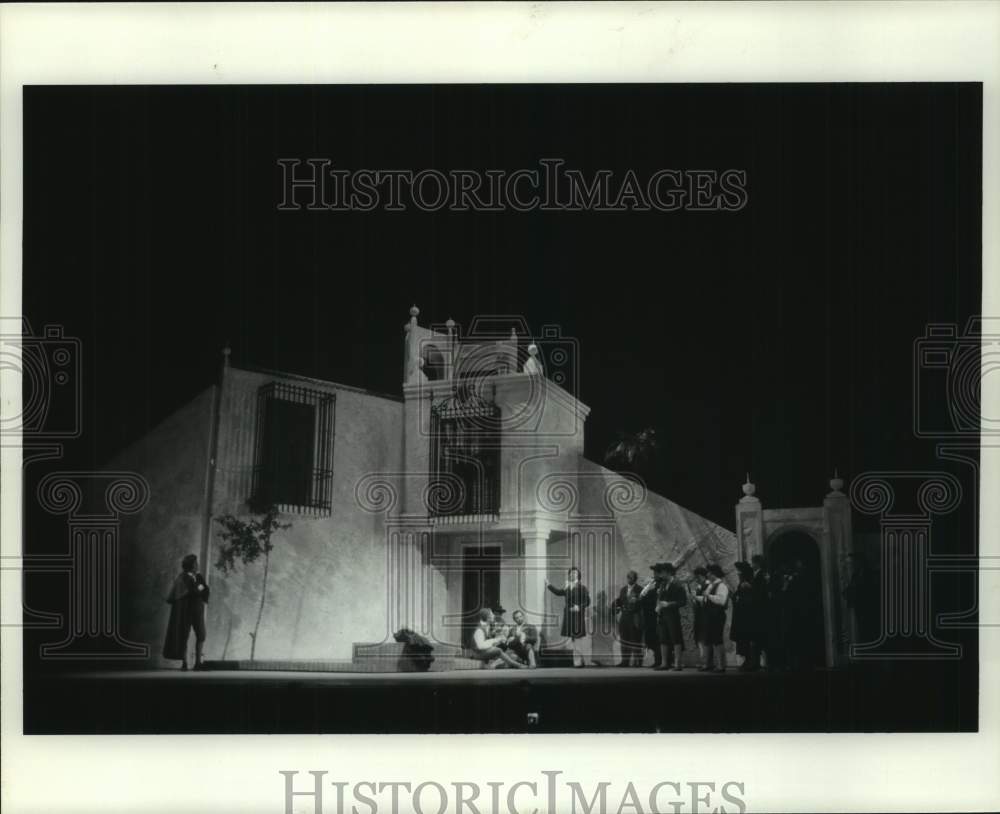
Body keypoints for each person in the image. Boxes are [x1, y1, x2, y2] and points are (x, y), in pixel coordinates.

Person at [163, 553, 210, 671]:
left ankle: (198, 663)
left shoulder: (198, 576)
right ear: (191, 565)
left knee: (201, 634)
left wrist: (199, 588)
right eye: (196, 563)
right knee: (184, 635)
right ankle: (184, 663)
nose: (197, 565)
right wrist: (200, 588)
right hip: (186, 610)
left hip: (198, 609)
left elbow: (205, 589)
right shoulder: (183, 577)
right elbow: (195, 590)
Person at [545, 567, 599, 667]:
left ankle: (581, 661)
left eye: (574, 573)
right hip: (569, 616)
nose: (572, 574)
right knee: (574, 639)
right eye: (570, 573)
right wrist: (548, 585)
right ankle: (578, 662)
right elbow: (558, 592)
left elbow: (587, 601)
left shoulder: (582, 588)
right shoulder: (568, 587)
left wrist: (578, 607)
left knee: (578, 638)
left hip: (577, 616)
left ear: (578, 575)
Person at [694, 563, 729, 672]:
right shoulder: (711, 585)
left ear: (714, 574)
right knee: (708, 639)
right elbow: (706, 600)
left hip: (717, 615)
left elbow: (721, 601)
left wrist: (708, 596)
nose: (708, 575)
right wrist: (697, 598)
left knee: (717, 640)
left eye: (709, 572)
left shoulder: (721, 586)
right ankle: (708, 664)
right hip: (709, 616)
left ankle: (721, 665)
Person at [653, 562, 687, 671]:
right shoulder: (663, 584)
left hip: (672, 615)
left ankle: (678, 664)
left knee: (676, 639)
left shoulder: (677, 584)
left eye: (662, 573)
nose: (661, 575)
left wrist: (668, 604)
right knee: (663, 639)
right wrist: (658, 606)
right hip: (663, 615)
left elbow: (683, 601)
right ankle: (664, 663)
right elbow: (659, 597)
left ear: (668, 572)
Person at [613, 570, 644, 667]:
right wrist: (616, 606)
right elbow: (620, 601)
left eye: (632, 577)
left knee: (635, 639)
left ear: (635, 579)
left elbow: (642, 603)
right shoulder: (623, 589)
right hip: (625, 616)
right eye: (628, 577)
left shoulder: (640, 589)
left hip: (635, 617)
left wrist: (636, 603)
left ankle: (638, 661)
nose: (630, 579)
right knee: (624, 639)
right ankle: (625, 661)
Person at [730, 562, 755, 671]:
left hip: (744, 617)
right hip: (742, 616)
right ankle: (747, 661)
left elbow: (747, 601)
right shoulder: (743, 584)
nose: (737, 573)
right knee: (743, 639)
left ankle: (749, 661)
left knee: (745, 639)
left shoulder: (746, 585)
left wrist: (736, 599)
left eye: (739, 571)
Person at [638, 567, 663, 668]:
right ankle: (658, 659)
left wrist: (643, 599)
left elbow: (652, 599)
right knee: (650, 638)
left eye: (656, 573)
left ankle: (660, 660)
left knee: (657, 638)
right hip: (648, 615)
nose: (654, 575)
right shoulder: (652, 584)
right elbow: (643, 595)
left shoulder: (660, 586)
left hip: (654, 615)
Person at [749, 554, 770, 670]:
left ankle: (758, 663)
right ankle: (757, 662)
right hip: (758, 611)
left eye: (753, 563)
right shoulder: (757, 576)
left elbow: (760, 594)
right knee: (757, 637)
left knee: (758, 637)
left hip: (759, 611)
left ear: (757, 564)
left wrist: (750, 589)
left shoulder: (761, 576)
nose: (752, 565)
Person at [690, 566, 710, 669]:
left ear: (702, 576)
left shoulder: (708, 585)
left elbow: (707, 600)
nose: (696, 579)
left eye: (697, 577)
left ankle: (706, 662)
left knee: (704, 639)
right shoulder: (699, 586)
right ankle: (703, 661)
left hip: (705, 615)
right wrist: (694, 599)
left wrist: (696, 597)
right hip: (699, 615)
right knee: (699, 639)